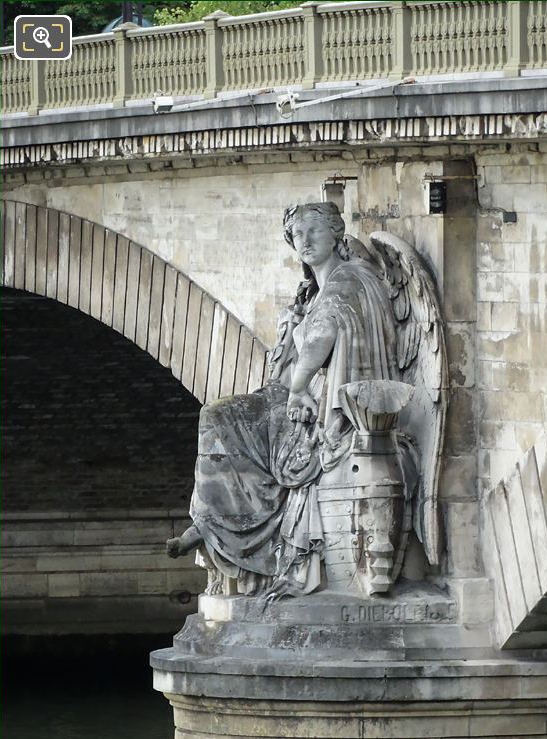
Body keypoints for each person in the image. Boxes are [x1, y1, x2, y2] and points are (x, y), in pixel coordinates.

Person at [166, 201, 401, 595]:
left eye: (313, 231)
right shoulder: (313, 292)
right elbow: (288, 365)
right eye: (296, 235)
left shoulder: (347, 279)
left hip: (327, 407)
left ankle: (219, 529)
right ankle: (212, 521)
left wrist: (295, 387)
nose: (304, 241)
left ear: (336, 233)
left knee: (218, 418)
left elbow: (320, 338)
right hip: (306, 397)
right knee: (221, 417)